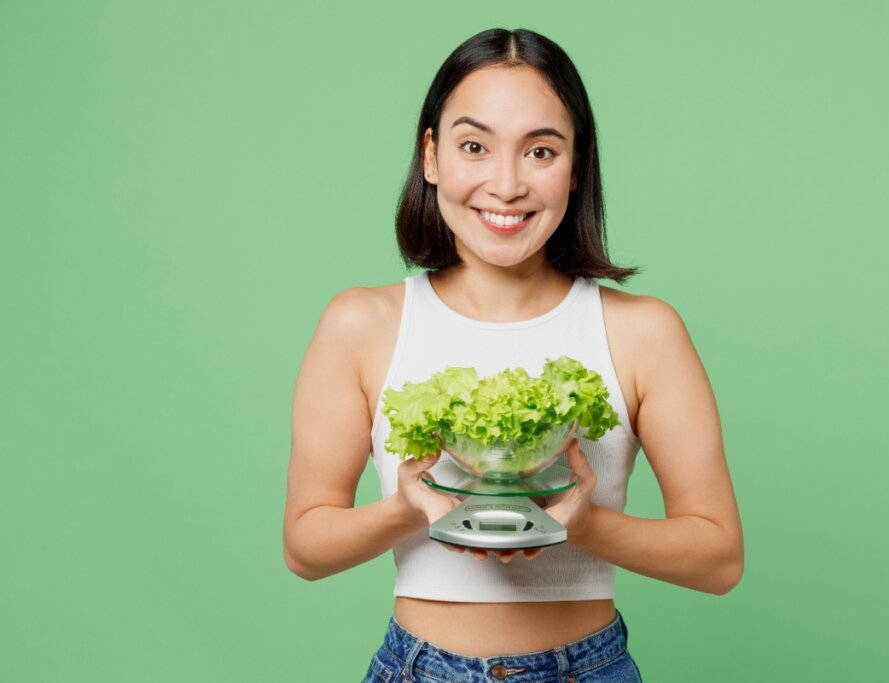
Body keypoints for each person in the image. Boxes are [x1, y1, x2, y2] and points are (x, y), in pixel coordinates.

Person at [283, 27, 743, 682]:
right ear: (432, 156)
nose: (506, 184)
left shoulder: (645, 332)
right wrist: (408, 507)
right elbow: (305, 544)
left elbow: (720, 556)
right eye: (475, 146)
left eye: (540, 151)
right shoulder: (362, 323)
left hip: (589, 667)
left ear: (576, 164)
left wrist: (584, 525)